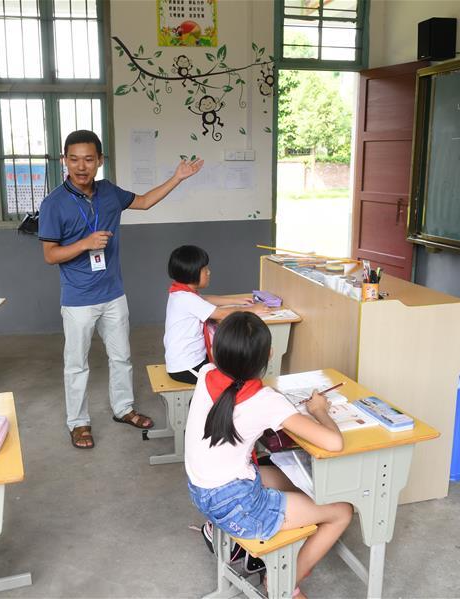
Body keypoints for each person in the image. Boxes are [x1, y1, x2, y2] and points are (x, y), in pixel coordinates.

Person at [38, 129, 204, 449]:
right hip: (78, 300)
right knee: (77, 364)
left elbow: (143, 202)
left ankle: (123, 408)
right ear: (64, 161)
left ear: (100, 161)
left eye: (88, 159)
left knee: (122, 357)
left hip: (113, 293)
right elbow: (50, 255)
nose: (81, 166)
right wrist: (85, 243)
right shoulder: (53, 204)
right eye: (73, 159)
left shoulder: (109, 193)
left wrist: (177, 177)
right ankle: (78, 422)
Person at [184, 312, 353, 599]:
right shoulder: (266, 401)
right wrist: (319, 410)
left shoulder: (206, 373)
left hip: (202, 492)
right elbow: (333, 442)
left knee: (295, 481)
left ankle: (250, 547)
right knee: (342, 511)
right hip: (238, 503)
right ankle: (284, 583)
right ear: (270, 354)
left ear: (216, 350)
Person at [164, 245, 270, 384]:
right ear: (193, 272)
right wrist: (253, 310)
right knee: (234, 380)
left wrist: (237, 300)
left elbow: (206, 299)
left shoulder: (181, 292)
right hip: (187, 367)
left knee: (230, 364)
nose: (209, 272)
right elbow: (221, 314)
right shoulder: (186, 298)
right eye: (205, 269)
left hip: (189, 359)